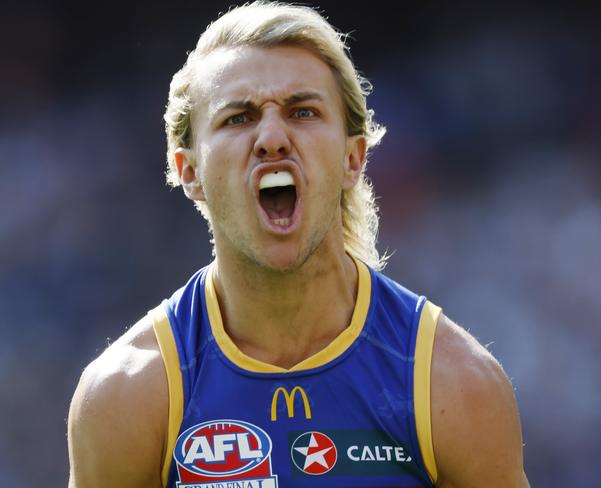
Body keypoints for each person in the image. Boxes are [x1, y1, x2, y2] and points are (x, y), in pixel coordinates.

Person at [67, 2, 530, 487]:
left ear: (353, 158)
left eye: (302, 112)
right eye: (238, 118)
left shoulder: (451, 383)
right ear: (189, 171)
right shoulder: (126, 393)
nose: (271, 138)